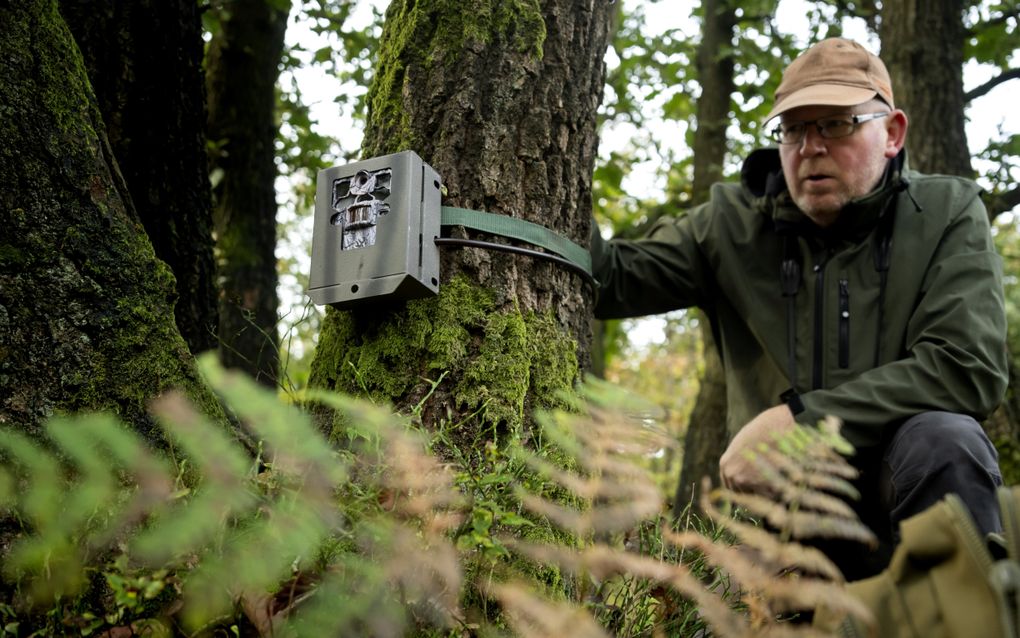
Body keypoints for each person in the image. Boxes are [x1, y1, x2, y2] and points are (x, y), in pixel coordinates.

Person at [591, 37, 1007, 579]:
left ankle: (963, 610)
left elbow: (965, 367)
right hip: (780, 514)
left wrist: (801, 423)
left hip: (905, 490)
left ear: (892, 132)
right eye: (792, 128)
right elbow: (610, 280)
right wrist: (559, 150)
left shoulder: (947, 211)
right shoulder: (731, 224)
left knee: (947, 440)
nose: (810, 147)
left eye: (836, 123)